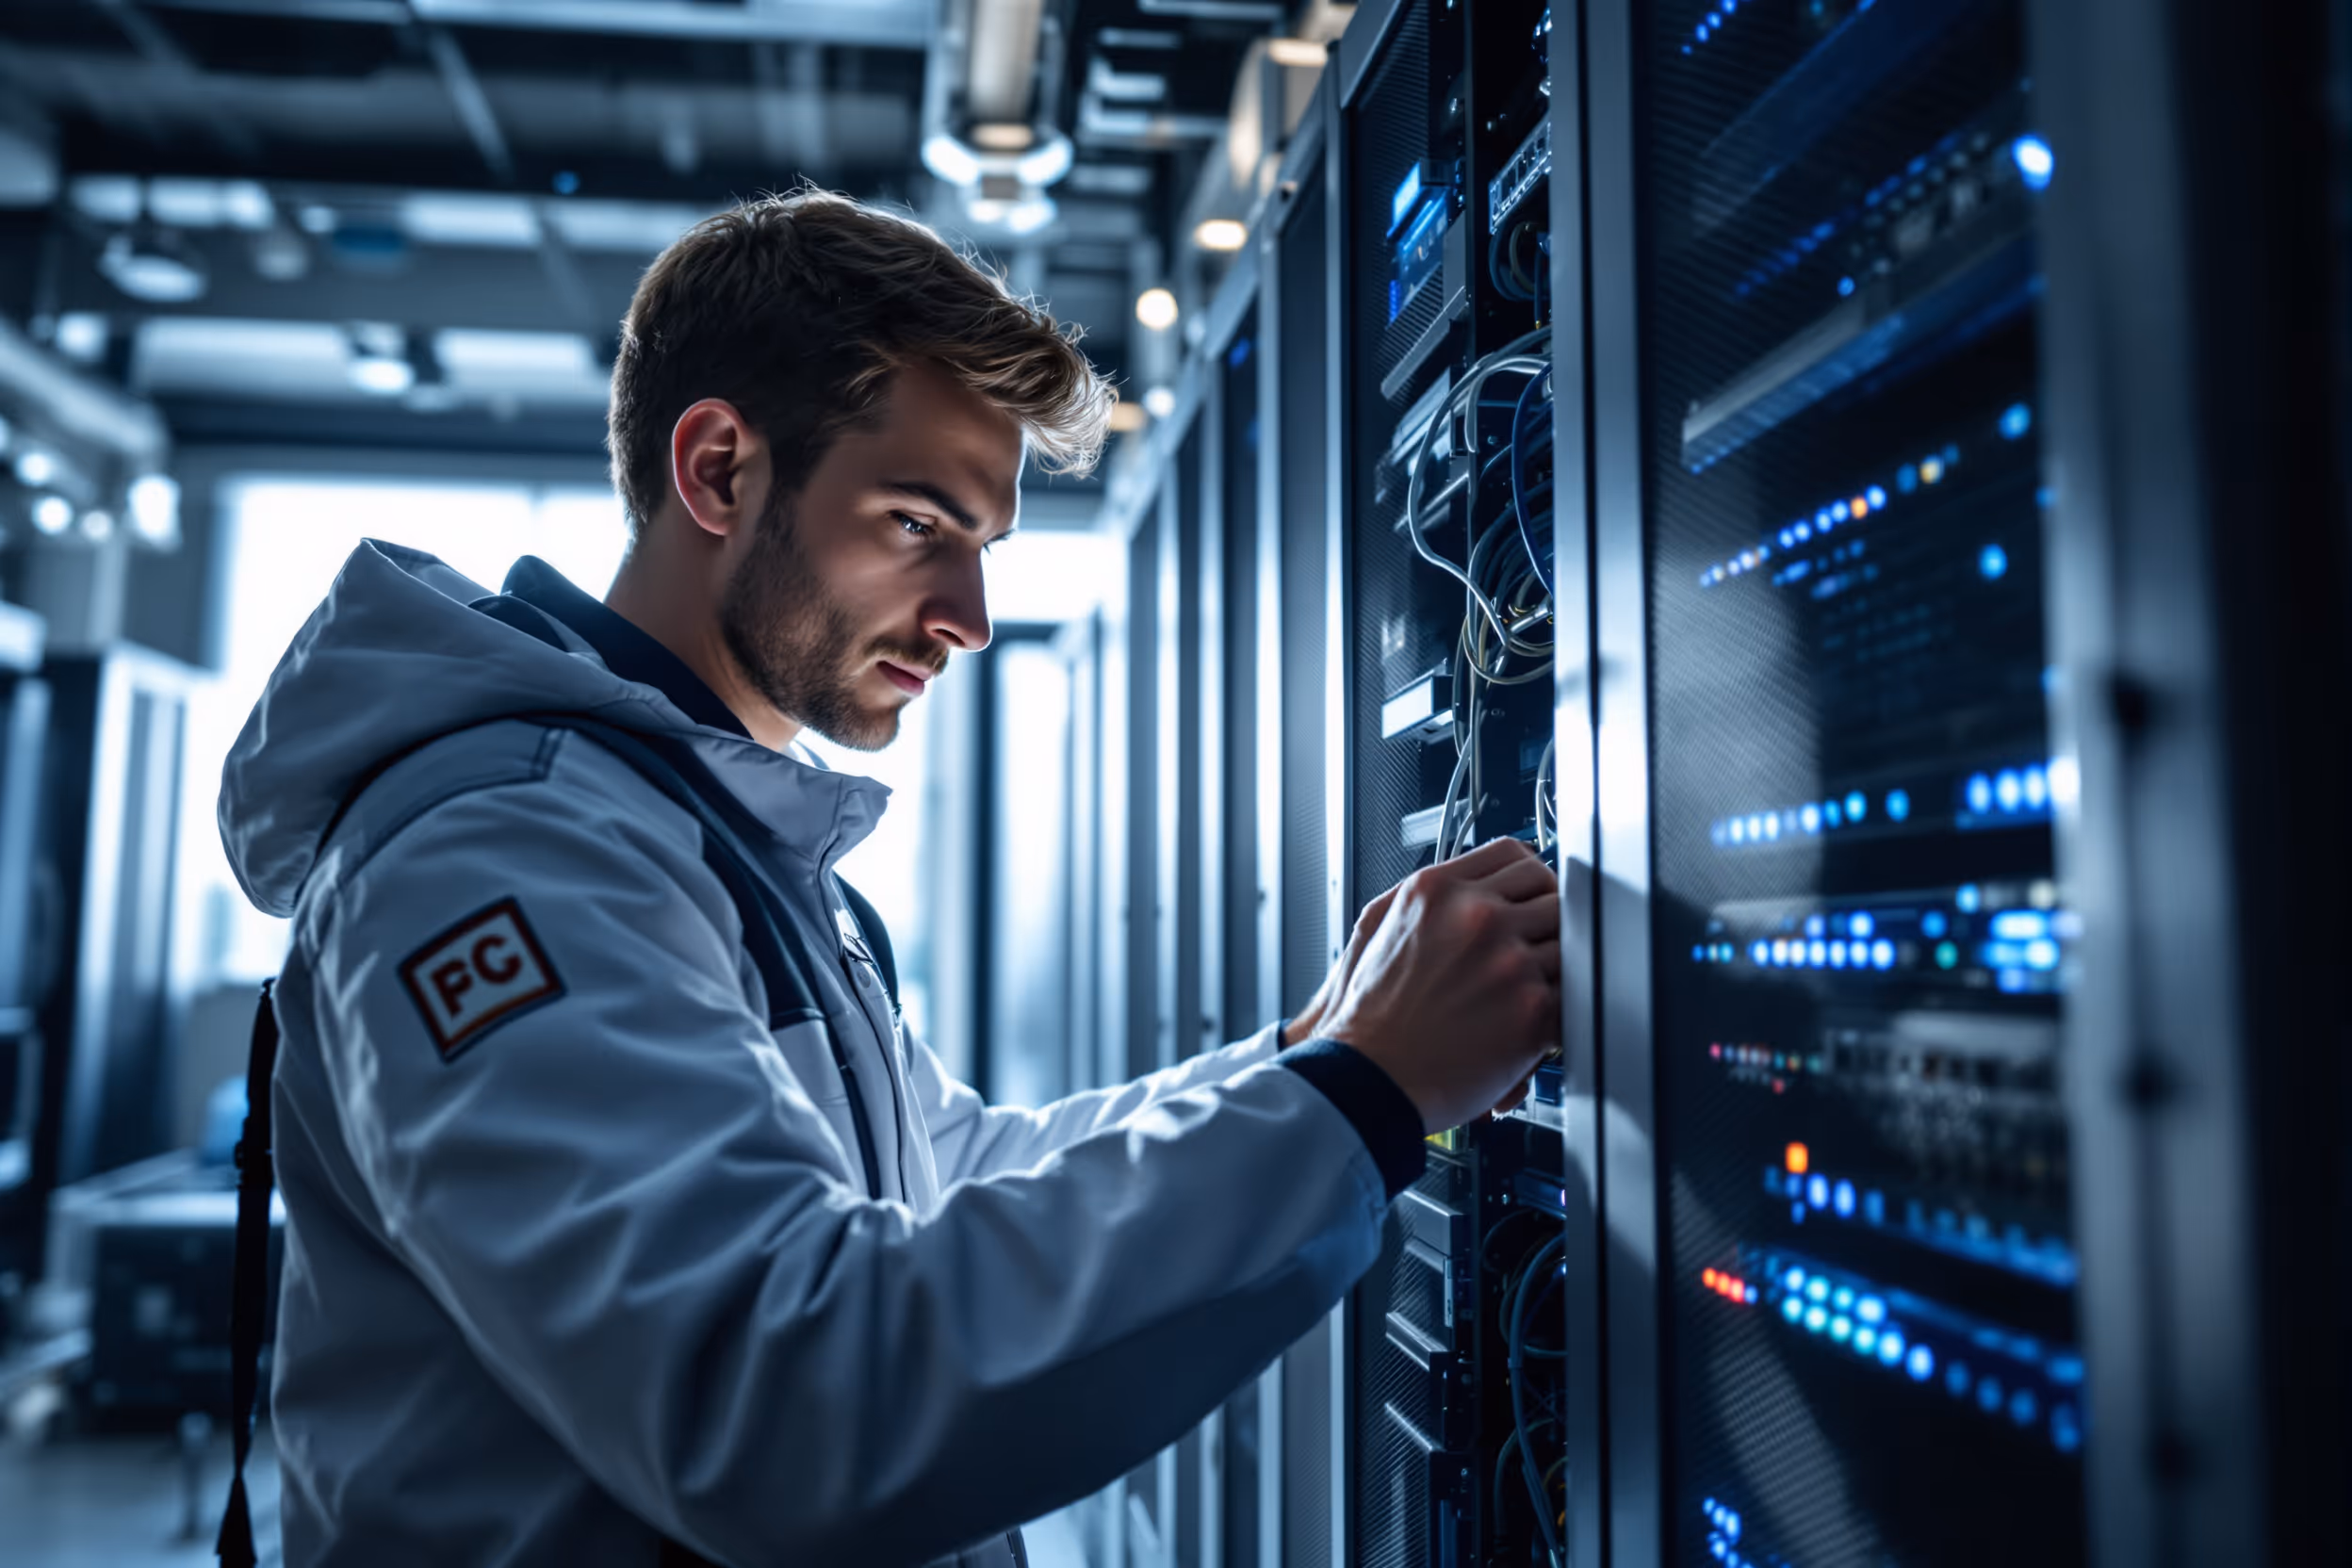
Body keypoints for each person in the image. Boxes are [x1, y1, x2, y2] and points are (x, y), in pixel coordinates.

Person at [215, 190, 1560, 1568]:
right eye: (920, 523)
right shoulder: (505, 850)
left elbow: (952, 1175)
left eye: (982, 549)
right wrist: (1366, 1094)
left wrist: (1316, 1052)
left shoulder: (707, 836)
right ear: (720, 472)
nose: (970, 619)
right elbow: (785, 1405)